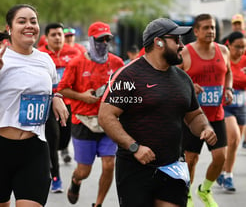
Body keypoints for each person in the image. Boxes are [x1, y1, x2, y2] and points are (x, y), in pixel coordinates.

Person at [98, 17, 217, 207]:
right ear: (158, 42)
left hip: (173, 167)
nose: (182, 46)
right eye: (176, 40)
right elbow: (106, 116)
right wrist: (134, 146)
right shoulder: (129, 75)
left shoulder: (183, 79)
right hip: (136, 169)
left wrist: (204, 128)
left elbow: (194, 115)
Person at [0, 4, 69, 207]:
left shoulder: (45, 60)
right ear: (9, 28)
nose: (29, 26)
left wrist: (56, 97)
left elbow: (52, 87)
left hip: (34, 148)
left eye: (33, 21)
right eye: (22, 21)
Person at [57, 21, 124, 207]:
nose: (104, 43)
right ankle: (76, 181)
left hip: (109, 122)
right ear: (92, 40)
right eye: (100, 39)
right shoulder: (77, 63)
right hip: (83, 122)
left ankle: (98, 203)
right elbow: (62, 89)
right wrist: (82, 97)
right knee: (84, 170)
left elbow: (124, 88)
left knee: (109, 164)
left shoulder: (116, 62)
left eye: (107, 39)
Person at [179, 13, 233, 207]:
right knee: (191, 160)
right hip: (192, 118)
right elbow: (173, 77)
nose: (210, 31)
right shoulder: (185, 53)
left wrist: (228, 88)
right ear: (196, 31)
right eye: (206, 28)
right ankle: (187, 195)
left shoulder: (223, 51)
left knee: (221, 158)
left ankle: (205, 189)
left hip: (216, 115)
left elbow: (228, 73)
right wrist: (189, 86)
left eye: (212, 27)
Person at [38, 22, 81, 193]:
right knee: (52, 138)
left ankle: (52, 154)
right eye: (53, 34)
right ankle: (55, 178)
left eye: (59, 34)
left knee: (64, 140)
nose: (57, 37)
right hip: (48, 104)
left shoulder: (75, 53)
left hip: (69, 103)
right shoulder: (40, 55)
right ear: (46, 38)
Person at [216, 31, 246, 192]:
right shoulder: (224, 60)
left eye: (243, 47)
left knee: (234, 144)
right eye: (237, 47)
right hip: (225, 105)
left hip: (241, 106)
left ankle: (224, 172)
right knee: (233, 137)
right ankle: (228, 176)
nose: (240, 50)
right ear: (229, 45)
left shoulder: (245, 61)